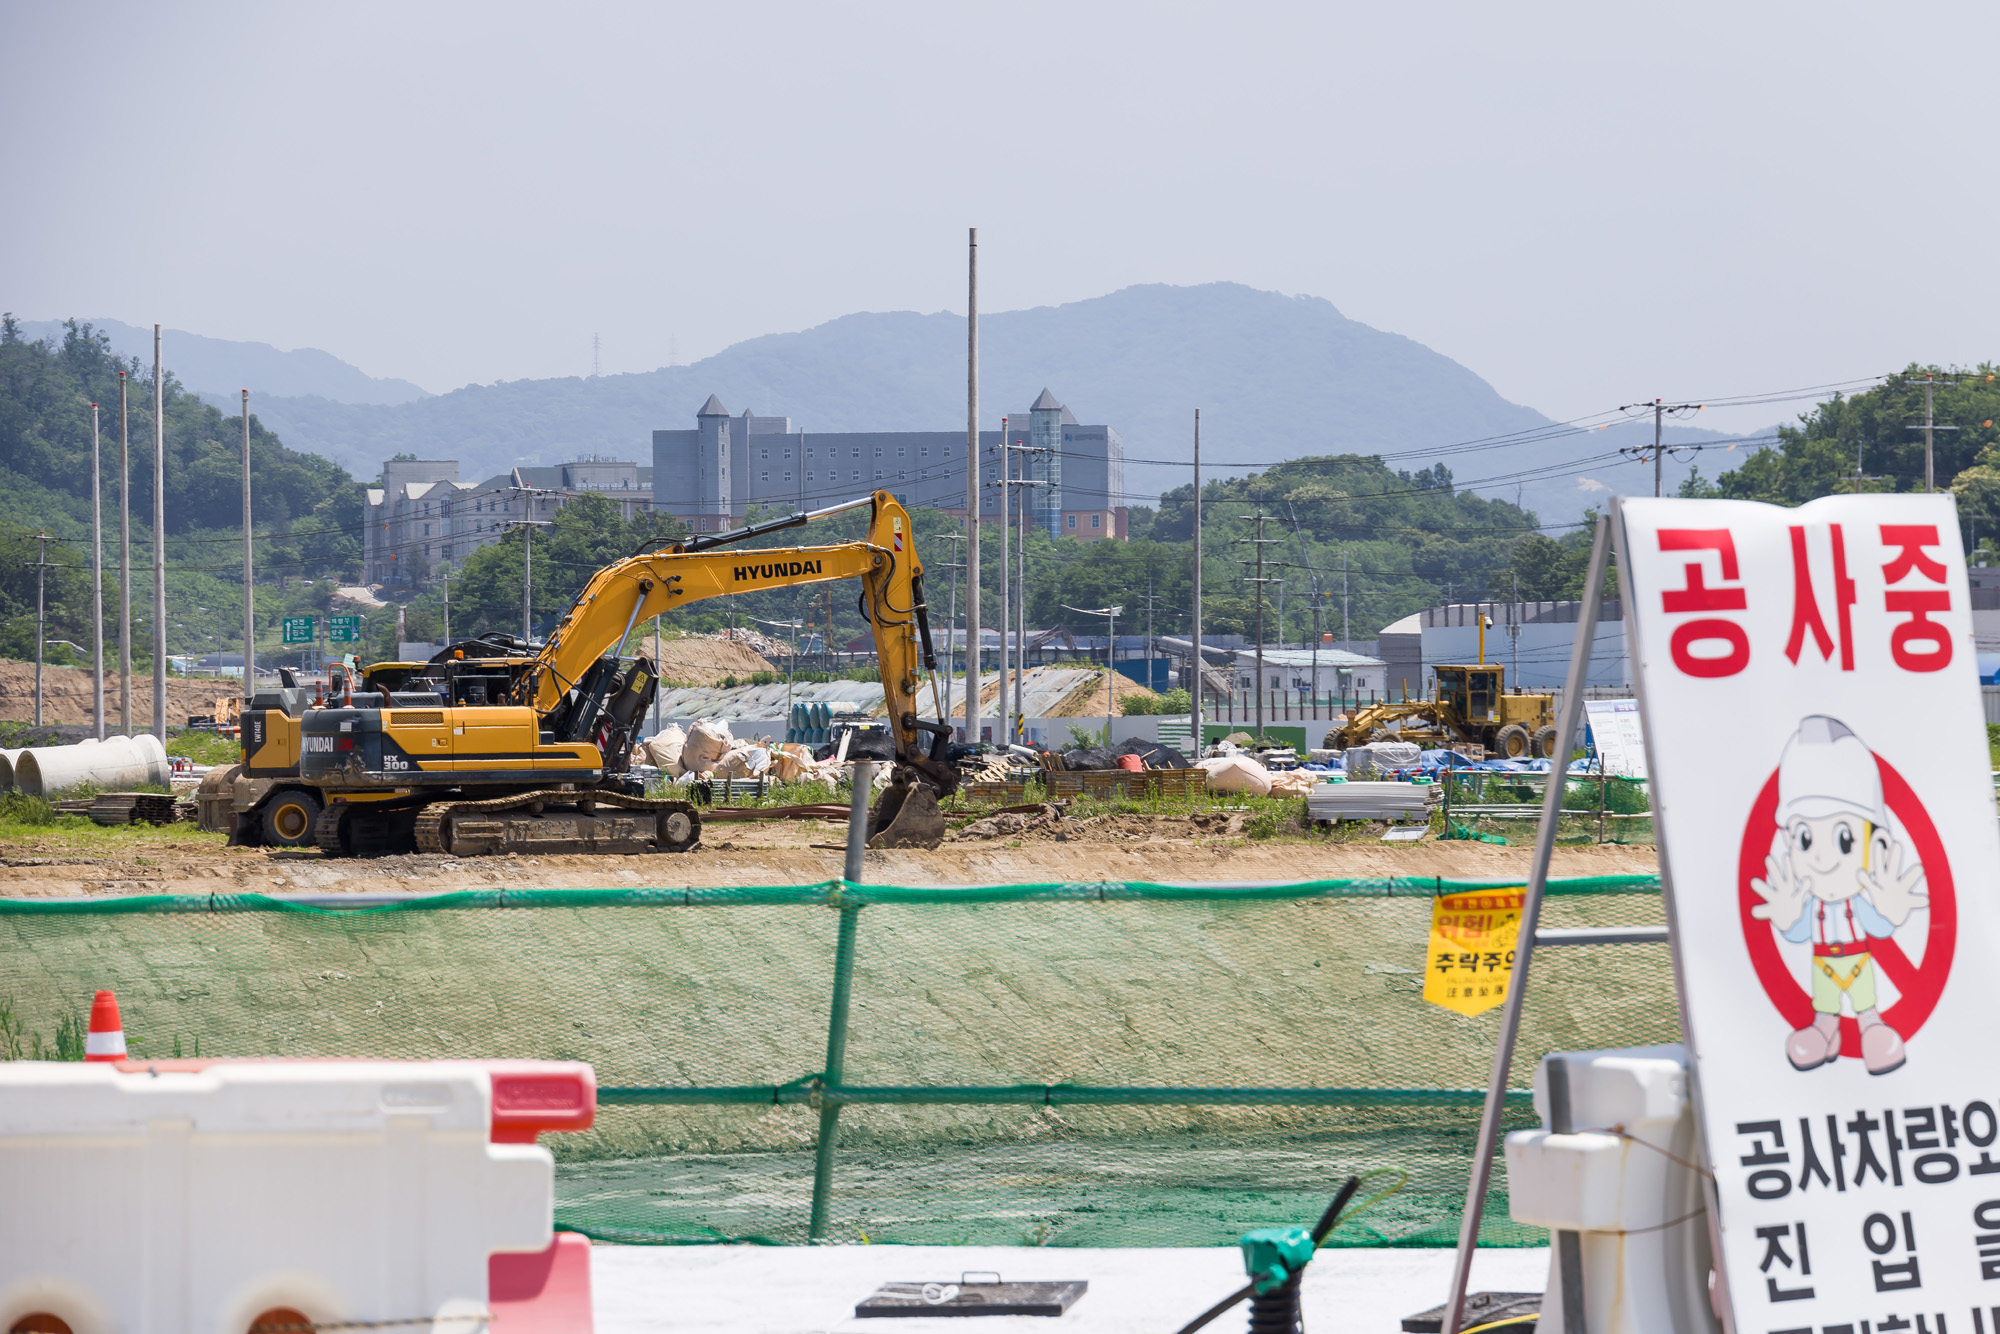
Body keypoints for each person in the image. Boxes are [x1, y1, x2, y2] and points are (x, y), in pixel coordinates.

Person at [1750, 716, 1927, 1075]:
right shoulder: (1810, 902)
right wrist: (1785, 918)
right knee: (1825, 1004)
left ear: (1875, 845)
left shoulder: (1857, 900)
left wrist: (1891, 911)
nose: (1820, 857)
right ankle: (1825, 1030)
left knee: (1865, 1003)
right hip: (1822, 964)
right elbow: (1798, 933)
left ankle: (1871, 1027)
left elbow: (1876, 927)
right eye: (1804, 839)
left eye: (1844, 839)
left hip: (1857, 961)